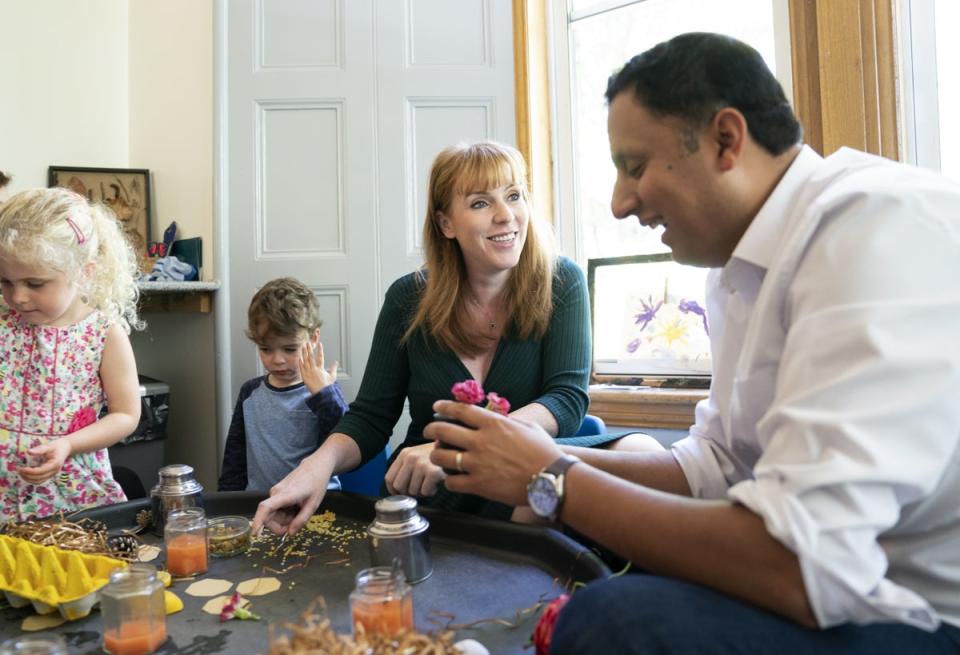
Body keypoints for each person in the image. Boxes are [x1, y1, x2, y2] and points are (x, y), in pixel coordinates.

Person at [424, 32, 960, 653]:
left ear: (726, 141)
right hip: (837, 582)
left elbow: (802, 561)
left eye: (636, 166)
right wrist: (507, 460)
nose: (621, 202)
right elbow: (716, 466)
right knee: (619, 577)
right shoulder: (737, 270)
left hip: (919, 611)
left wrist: (552, 475)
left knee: (611, 618)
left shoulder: (871, 229)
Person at [253, 140, 606, 535]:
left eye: (514, 196)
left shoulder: (562, 281)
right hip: (432, 490)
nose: (506, 216)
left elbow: (567, 399)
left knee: (634, 452)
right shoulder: (407, 298)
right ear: (446, 224)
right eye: (480, 203)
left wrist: (453, 450)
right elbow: (371, 418)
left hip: (519, 475)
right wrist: (314, 468)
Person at [0, 188, 143, 522]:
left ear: (85, 272)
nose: (17, 297)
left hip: (71, 491)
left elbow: (126, 415)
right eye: (5, 281)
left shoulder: (104, 334)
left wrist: (68, 445)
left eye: (35, 283)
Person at [218, 277, 348, 492]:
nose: (277, 359)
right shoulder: (250, 392)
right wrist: (228, 503)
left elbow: (344, 442)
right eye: (266, 349)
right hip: (259, 506)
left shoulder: (324, 392)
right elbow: (235, 459)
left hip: (316, 508)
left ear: (314, 339)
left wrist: (325, 394)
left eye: (289, 349)